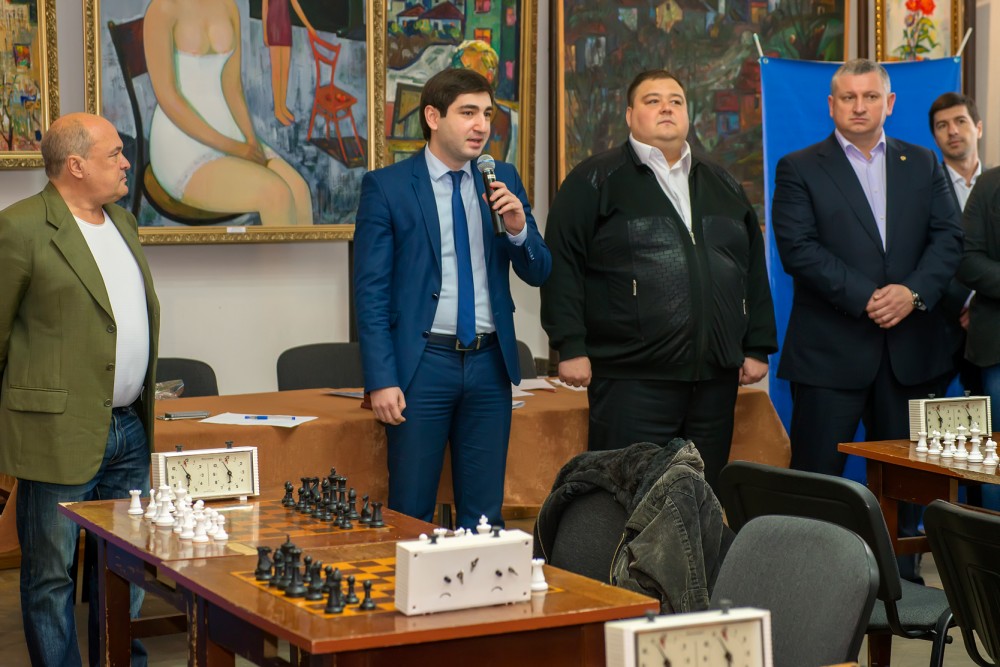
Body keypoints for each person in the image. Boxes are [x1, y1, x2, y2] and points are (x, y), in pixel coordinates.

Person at [540, 69, 777, 491]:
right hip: (631, 379)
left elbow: (751, 267)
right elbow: (562, 264)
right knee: (625, 497)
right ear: (629, 115)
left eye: (676, 101)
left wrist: (757, 344)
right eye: (653, 100)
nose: (666, 107)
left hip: (714, 381)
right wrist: (569, 344)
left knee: (701, 497)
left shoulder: (722, 182)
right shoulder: (594, 180)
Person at [771, 59, 963, 580]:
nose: (860, 107)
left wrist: (911, 294)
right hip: (829, 356)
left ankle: (903, 591)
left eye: (871, 96)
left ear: (889, 103)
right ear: (831, 105)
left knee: (909, 486)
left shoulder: (922, 162)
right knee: (816, 484)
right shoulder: (798, 167)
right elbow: (798, 249)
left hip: (911, 354)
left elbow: (949, 238)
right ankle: (809, 586)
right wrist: (870, 297)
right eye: (849, 97)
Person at [354, 68, 551, 529]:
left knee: (484, 517)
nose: (481, 125)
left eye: (487, 114)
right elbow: (371, 292)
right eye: (468, 113)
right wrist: (381, 379)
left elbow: (539, 270)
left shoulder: (501, 178)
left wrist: (519, 230)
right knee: (411, 513)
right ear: (432, 117)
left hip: (488, 365)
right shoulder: (388, 187)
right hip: (423, 366)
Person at [0, 113, 159, 666]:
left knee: (128, 568)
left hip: (129, 428)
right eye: (114, 154)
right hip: (55, 432)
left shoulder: (125, 222)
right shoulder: (20, 227)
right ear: (75, 165)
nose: (125, 162)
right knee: (51, 576)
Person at [144, 0, 313, 225]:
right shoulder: (162, 8)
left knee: (299, 190)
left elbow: (232, 85)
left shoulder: (229, 6)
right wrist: (235, 148)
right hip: (182, 142)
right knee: (276, 196)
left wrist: (250, 139)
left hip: (230, 129)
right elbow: (168, 98)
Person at [263, 0, 316, 126]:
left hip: (285, 24)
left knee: (285, 70)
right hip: (273, 24)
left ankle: (282, 106)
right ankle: (277, 110)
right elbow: (265, 7)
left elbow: (295, 4)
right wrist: (265, 33)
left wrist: (309, 26)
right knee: (276, 72)